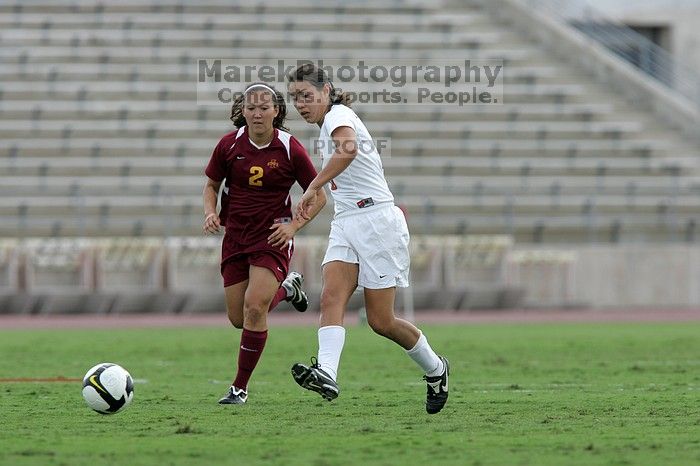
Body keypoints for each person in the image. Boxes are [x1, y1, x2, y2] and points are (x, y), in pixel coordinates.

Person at [286, 64, 449, 414]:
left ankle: (436, 368)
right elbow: (333, 182)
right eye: (295, 97)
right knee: (331, 295)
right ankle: (327, 372)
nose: (300, 103)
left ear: (326, 91)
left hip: (376, 221)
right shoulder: (324, 128)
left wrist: (313, 184)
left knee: (382, 322)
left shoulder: (337, 115)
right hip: (347, 221)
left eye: (306, 95)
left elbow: (347, 151)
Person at [202, 82, 326, 405]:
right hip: (236, 237)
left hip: (272, 237)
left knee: (255, 307)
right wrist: (209, 212)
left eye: (264, 107)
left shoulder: (290, 148)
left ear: (276, 111)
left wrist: (293, 227)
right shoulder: (228, 146)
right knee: (239, 318)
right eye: (251, 107)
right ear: (243, 111)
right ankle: (289, 289)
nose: (257, 113)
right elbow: (211, 185)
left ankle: (239, 388)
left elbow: (319, 196)